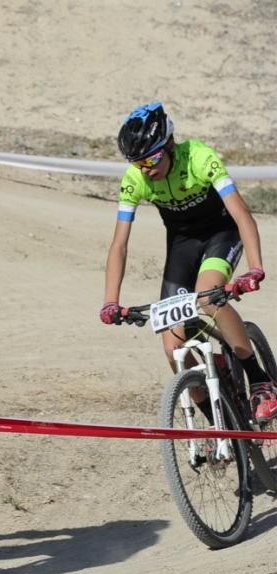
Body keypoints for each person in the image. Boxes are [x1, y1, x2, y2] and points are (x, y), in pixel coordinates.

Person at [101, 101, 277, 423]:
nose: (146, 169)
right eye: (138, 162)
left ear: (169, 143)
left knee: (208, 294)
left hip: (221, 234)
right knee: (173, 349)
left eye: (152, 158)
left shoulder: (199, 156)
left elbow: (241, 214)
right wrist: (111, 301)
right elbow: (119, 244)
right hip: (182, 245)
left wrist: (254, 267)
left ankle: (261, 381)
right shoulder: (135, 178)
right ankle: (221, 428)